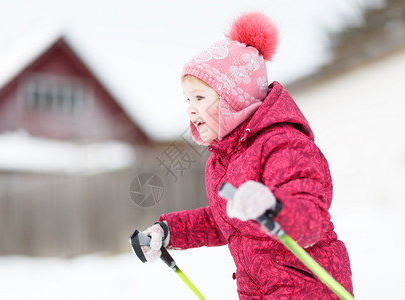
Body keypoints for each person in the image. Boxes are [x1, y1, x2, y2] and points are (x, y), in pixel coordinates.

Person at [138, 12, 353, 299]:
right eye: (187, 99)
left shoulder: (284, 144)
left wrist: (273, 205)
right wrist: (169, 231)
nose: (190, 109)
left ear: (234, 99)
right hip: (258, 290)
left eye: (200, 98)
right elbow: (224, 219)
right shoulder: (222, 158)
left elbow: (310, 221)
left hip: (308, 288)